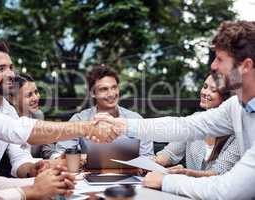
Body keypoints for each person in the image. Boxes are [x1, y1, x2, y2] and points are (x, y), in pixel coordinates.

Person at [96, 21, 255, 199]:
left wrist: (166, 181)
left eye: (220, 59)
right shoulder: (237, 106)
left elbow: (229, 191)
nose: (213, 66)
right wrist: (122, 125)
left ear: (245, 66)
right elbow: (185, 126)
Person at [0, 18, 75, 200]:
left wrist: (36, 172)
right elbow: (16, 131)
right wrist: (87, 128)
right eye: (1, 68)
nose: (11, 74)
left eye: (11, 67)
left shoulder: (6, 109)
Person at [41, 66, 154, 159]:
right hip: (90, 176)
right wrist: (77, 159)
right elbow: (60, 154)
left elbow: (148, 157)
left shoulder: (136, 119)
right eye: (104, 89)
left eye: (114, 87)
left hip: (131, 178)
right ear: (92, 93)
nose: (111, 94)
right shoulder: (80, 119)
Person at [153, 74, 240, 177]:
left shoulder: (237, 133)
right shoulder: (195, 119)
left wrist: (183, 173)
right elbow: (170, 153)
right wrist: (149, 163)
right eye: (205, 86)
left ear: (227, 99)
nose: (204, 92)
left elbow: (217, 174)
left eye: (213, 90)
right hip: (186, 190)